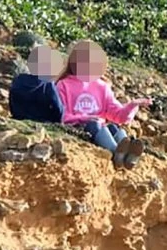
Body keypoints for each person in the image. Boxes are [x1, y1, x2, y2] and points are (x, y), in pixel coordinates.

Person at [57, 39, 151, 168]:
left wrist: (132, 105)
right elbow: (61, 115)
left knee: (113, 128)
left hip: (100, 129)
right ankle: (116, 153)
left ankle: (128, 156)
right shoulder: (63, 85)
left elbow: (119, 117)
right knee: (95, 124)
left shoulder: (102, 87)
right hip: (79, 128)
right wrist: (86, 118)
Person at [9, 45, 67, 123]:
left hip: (18, 120)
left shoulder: (18, 80)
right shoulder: (47, 84)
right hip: (42, 123)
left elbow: (12, 103)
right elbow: (59, 109)